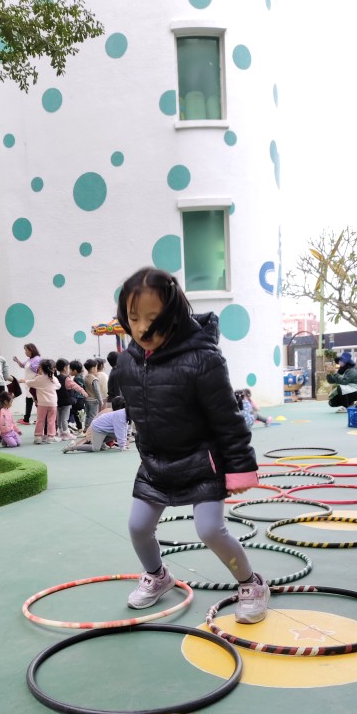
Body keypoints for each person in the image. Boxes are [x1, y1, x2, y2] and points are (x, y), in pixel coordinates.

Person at [115, 266, 269, 622]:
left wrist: (240, 468)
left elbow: (228, 419)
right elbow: (139, 412)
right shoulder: (127, 362)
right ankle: (157, 576)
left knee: (210, 529)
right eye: (134, 318)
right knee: (138, 527)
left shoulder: (203, 358)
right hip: (156, 465)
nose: (142, 328)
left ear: (173, 314)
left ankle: (251, 583)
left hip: (202, 461)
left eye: (152, 318)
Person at [63, 395, 129, 453]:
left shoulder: (120, 413)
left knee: (104, 445)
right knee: (95, 448)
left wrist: (124, 443)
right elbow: (120, 430)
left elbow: (123, 429)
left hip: (103, 429)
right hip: (97, 429)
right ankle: (74, 447)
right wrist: (122, 446)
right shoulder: (119, 414)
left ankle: (99, 443)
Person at [24, 358, 60, 444]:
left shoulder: (39, 378)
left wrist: (25, 381)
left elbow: (29, 383)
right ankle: (51, 437)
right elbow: (58, 386)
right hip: (53, 403)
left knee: (40, 420)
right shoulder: (53, 379)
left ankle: (38, 437)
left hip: (42, 404)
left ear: (41, 368)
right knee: (51, 420)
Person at [12, 343, 41, 424]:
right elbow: (23, 365)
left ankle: (39, 419)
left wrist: (33, 381)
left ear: (31, 350)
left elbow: (39, 372)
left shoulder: (36, 359)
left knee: (36, 401)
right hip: (28, 384)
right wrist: (17, 361)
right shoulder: (30, 359)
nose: (25, 352)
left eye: (26, 350)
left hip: (33, 384)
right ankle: (26, 419)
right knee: (29, 400)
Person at [82, 358, 104, 430]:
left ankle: (86, 428)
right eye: (96, 368)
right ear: (93, 368)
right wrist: (101, 401)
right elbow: (97, 391)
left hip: (86, 400)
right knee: (93, 416)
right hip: (93, 400)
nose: (97, 369)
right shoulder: (94, 379)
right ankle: (90, 429)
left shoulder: (85, 377)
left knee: (88, 415)